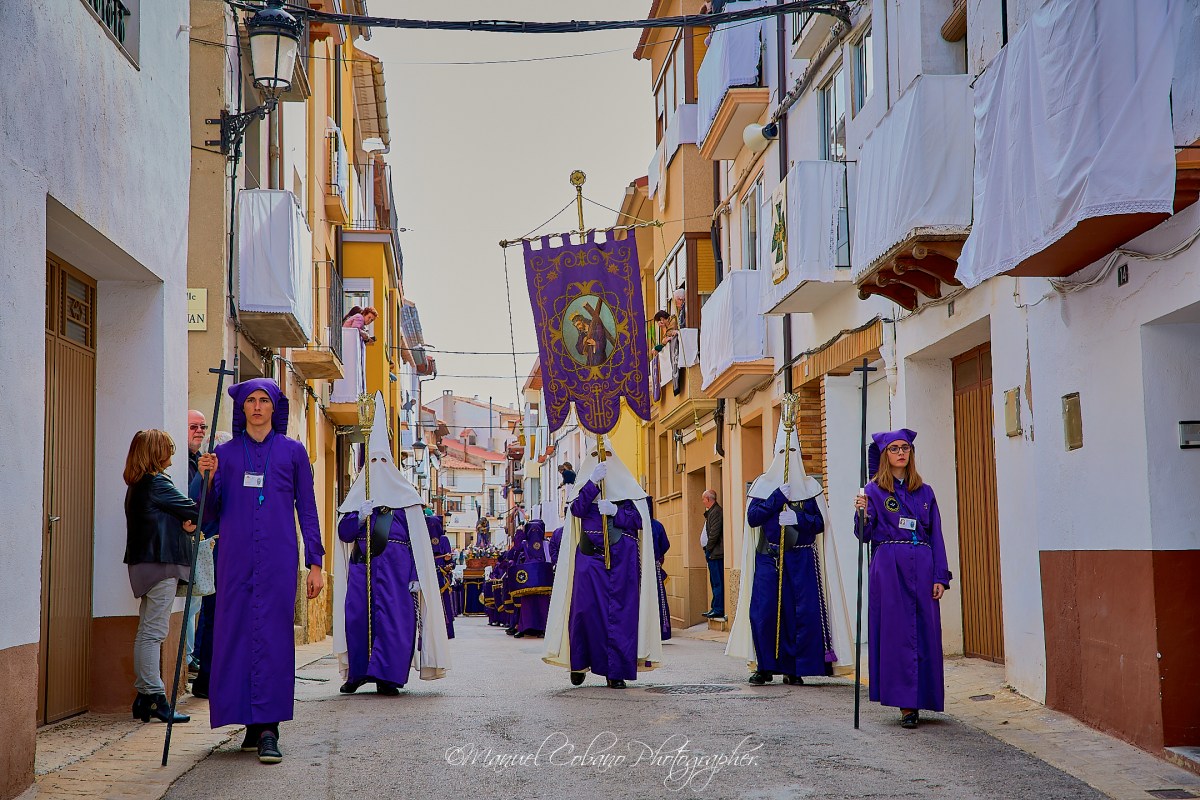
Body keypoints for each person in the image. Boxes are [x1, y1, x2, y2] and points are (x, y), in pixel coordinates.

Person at [197, 378, 323, 764]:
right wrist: (206, 478)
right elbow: (208, 514)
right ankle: (249, 724)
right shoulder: (224, 454)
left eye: (263, 400)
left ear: (273, 408)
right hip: (234, 562)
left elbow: (308, 509)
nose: (256, 407)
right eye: (250, 400)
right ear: (242, 408)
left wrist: (315, 564)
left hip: (278, 561)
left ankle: (269, 729)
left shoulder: (293, 452)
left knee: (273, 639)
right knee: (235, 637)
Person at [333, 392, 450, 696]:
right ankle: (358, 673)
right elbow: (344, 535)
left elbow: (418, 545)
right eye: (373, 460)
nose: (378, 465)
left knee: (395, 622)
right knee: (358, 619)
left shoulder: (407, 499)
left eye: (383, 460)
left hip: (397, 572)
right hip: (362, 570)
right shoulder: (357, 498)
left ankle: (388, 676)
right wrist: (359, 516)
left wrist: (415, 575)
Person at [726, 414, 837, 686]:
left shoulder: (811, 488)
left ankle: (793, 667)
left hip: (800, 559)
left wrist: (797, 518)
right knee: (763, 613)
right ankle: (765, 666)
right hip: (770, 558)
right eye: (782, 452)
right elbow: (753, 518)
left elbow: (819, 523)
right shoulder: (763, 486)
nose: (787, 457)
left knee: (795, 614)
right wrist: (776, 499)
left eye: (792, 452)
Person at [852, 429, 951, 729]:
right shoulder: (872, 491)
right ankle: (906, 705)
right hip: (889, 568)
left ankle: (923, 697)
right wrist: (862, 514)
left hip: (922, 565)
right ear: (885, 454)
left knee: (924, 630)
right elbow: (864, 535)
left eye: (905, 448)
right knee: (896, 633)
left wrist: (940, 576)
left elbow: (936, 535)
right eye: (894, 448)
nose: (900, 453)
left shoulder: (925, 492)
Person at [544, 439, 663, 689]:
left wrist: (616, 512)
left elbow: (641, 521)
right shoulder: (585, 487)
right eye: (597, 455)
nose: (602, 459)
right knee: (584, 613)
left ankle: (615, 671)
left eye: (607, 454)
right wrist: (592, 483)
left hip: (622, 563)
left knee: (621, 615)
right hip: (590, 561)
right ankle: (579, 664)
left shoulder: (629, 489)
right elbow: (577, 510)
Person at [122, 429, 197, 725]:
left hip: (145, 563)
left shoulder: (139, 485)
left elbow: (168, 516)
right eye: (168, 450)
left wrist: (182, 523)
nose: (172, 457)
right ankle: (155, 697)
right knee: (154, 633)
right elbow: (194, 509)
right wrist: (189, 521)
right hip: (160, 564)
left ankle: (144, 697)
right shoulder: (157, 484)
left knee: (147, 631)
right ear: (156, 453)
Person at [190, 430, 230, 700]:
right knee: (212, 614)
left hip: (224, 550)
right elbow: (198, 508)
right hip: (216, 551)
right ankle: (206, 677)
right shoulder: (205, 476)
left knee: (213, 614)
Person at [512, 519, 553, 638]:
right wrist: (518, 535)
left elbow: (549, 559)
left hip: (542, 577)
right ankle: (525, 627)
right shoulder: (524, 544)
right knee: (527, 605)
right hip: (528, 578)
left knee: (543, 604)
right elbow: (515, 553)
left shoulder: (546, 544)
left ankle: (543, 628)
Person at [428, 514, 457, 640]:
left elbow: (451, 563)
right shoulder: (424, 539)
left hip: (441, 579)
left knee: (444, 605)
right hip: (428, 578)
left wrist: (447, 562)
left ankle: (446, 631)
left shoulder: (443, 539)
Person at [701, 490, 725, 619]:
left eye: (703, 499)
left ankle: (718, 608)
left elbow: (714, 533)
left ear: (708, 499)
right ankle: (715, 607)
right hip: (712, 553)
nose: (703, 502)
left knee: (717, 582)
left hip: (715, 553)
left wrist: (708, 549)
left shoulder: (716, 512)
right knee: (714, 582)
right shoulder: (711, 512)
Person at [650, 511, 672, 641]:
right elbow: (665, 545)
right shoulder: (657, 525)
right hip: (653, 565)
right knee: (658, 598)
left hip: (642, 566)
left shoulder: (633, 523)